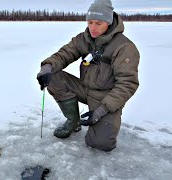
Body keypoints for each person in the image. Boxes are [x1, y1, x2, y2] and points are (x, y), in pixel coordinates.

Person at [36, 0, 140, 152]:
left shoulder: (124, 47)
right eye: (90, 22)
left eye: (98, 23)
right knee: (53, 75)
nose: (92, 27)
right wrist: (47, 67)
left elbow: (127, 84)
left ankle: (103, 121)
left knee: (100, 144)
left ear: (109, 22)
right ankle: (73, 121)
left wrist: (101, 111)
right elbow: (64, 54)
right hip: (84, 88)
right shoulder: (83, 39)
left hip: (106, 98)